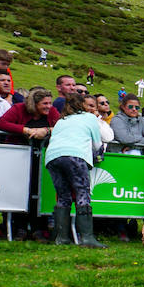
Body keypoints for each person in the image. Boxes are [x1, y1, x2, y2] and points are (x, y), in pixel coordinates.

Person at [44, 96, 107, 248]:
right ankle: (87, 238)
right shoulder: (89, 118)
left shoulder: (61, 120)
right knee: (82, 193)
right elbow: (98, 142)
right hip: (75, 155)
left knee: (63, 196)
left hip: (52, 157)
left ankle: (61, 238)